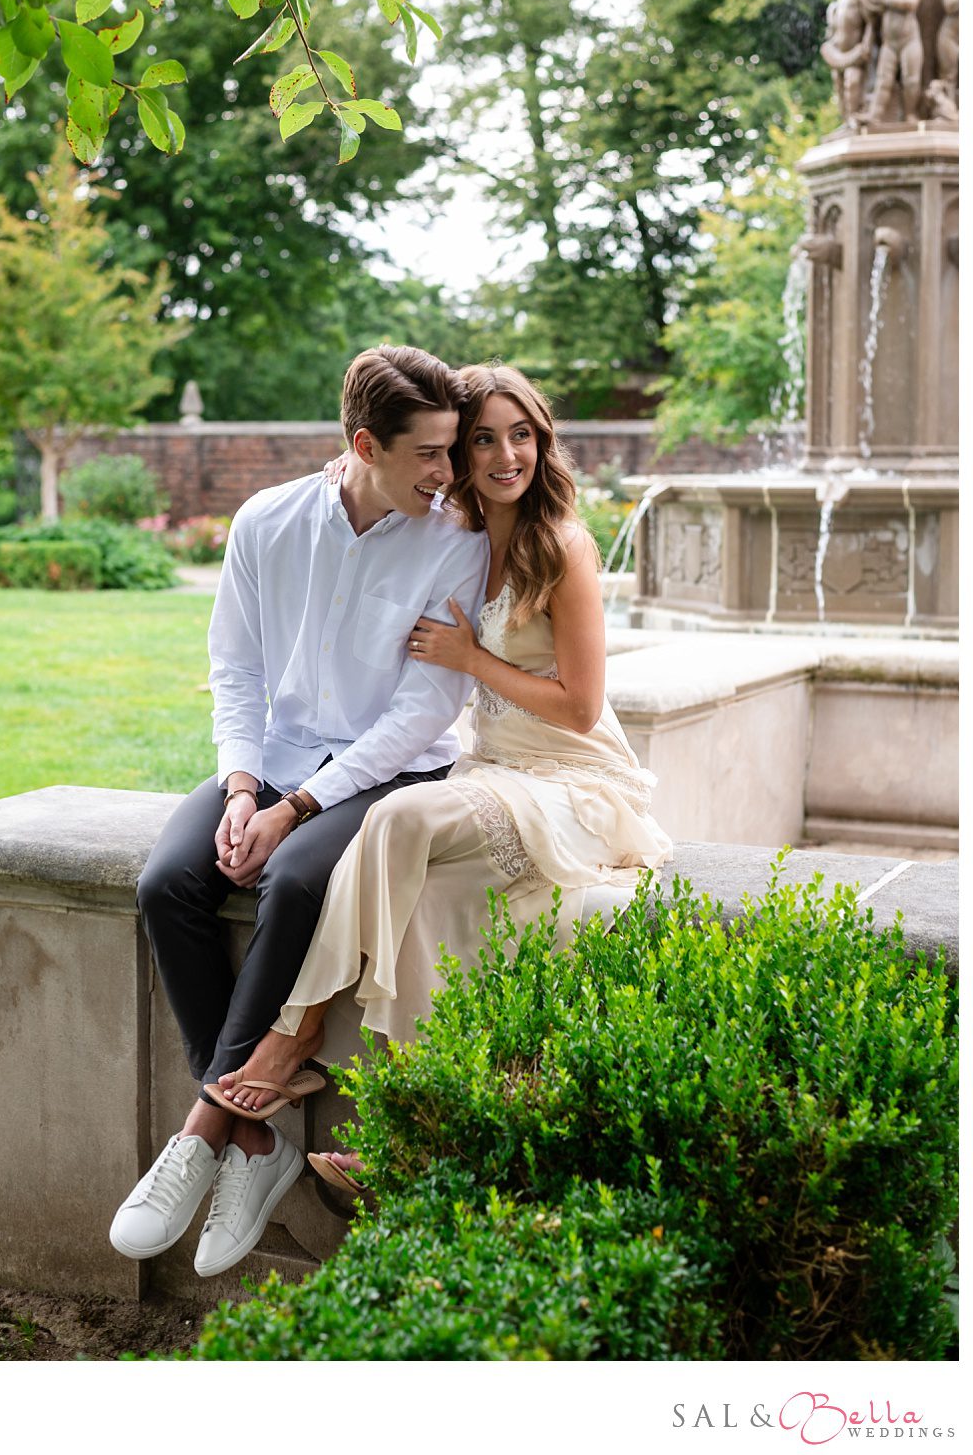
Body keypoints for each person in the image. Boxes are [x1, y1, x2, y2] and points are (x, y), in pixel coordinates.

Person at [212, 364, 673, 1196]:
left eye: (521, 434)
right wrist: (339, 477)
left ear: (543, 440)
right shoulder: (456, 530)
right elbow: (361, 487)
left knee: (396, 824)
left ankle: (296, 1030)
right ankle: (412, 1129)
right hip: (496, 769)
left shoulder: (561, 543)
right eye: (482, 439)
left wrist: (471, 657)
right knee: (424, 902)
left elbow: (581, 706)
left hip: (574, 778)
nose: (506, 455)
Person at [109, 347, 489, 1281]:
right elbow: (235, 666)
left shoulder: (457, 539)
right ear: (364, 444)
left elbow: (424, 711)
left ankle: (208, 1125)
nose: (450, 474)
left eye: (451, 452)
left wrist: (299, 809)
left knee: (295, 877)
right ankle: (256, 1141)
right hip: (275, 757)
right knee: (167, 883)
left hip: (392, 772)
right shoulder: (268, 520)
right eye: (430, 455)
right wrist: (244, 788)